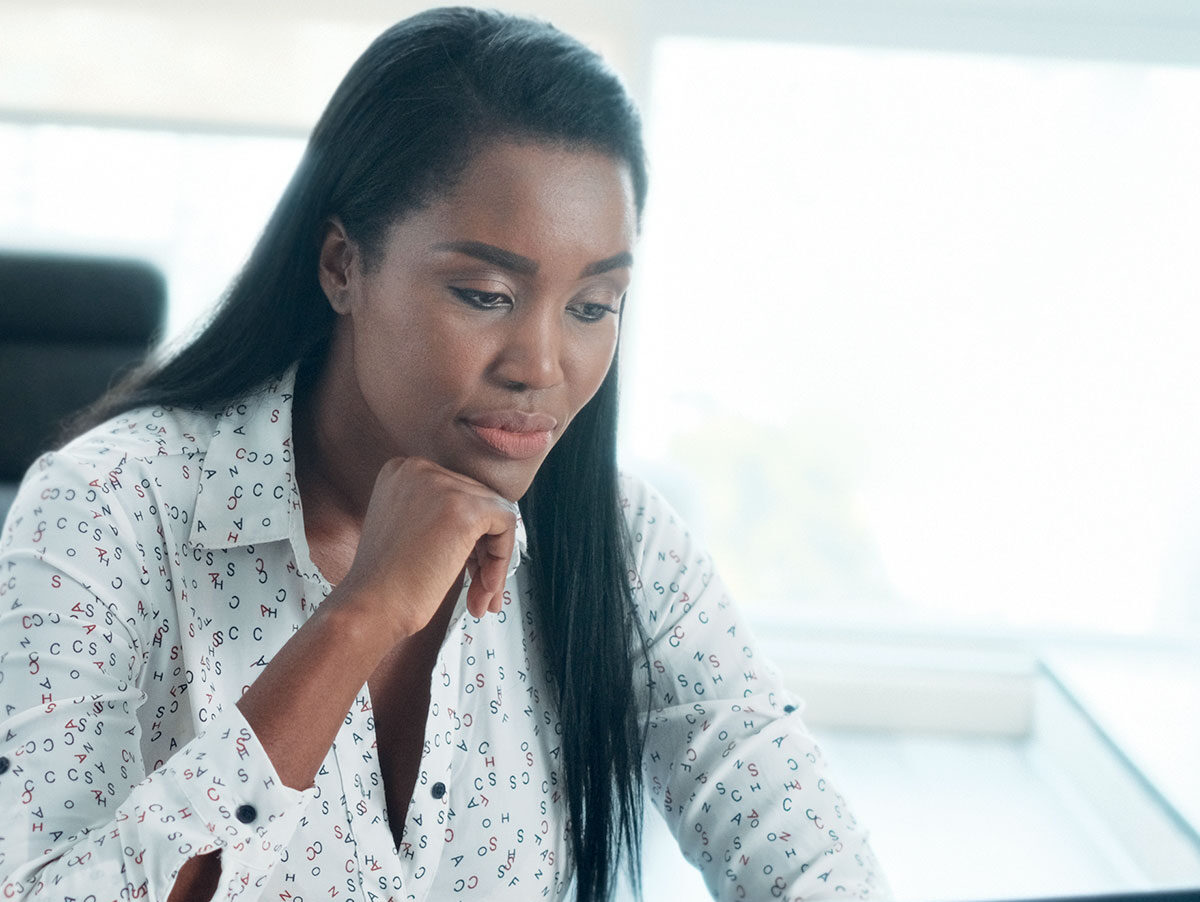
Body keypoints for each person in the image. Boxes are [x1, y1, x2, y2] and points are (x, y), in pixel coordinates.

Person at [0, 7, 889, 901]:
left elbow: (809, 850)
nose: (541, 366)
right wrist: (361, 617)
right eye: (485, 293)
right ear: (344, 265)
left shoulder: (624, 544)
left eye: (592, 306)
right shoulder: (106, 508)